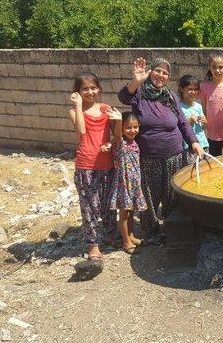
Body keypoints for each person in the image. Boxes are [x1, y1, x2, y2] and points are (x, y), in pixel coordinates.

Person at [118, 57, 204, 239]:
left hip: (174, 154)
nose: (161, 75)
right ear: (150, 72)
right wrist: (136, 80)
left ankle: (171, 228)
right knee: (150, 195)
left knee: (171, 194)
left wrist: (194, 142)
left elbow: (182, 122)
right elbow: (123, 97)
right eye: (158, 70)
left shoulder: (170, 95)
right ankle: (151, 230)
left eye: (165, 73)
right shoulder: (140, 93)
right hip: (150, 157)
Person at [68, 72, 117, 260]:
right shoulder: (74, 111)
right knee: (89, 206)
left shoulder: (106, 109)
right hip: (86, 165)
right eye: (84, 88)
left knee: (109, 204)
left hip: (107, 164)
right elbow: (81, 130)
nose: (90, 91)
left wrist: (111, 144)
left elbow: (117, 137)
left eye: (93, 88)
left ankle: (111, 236)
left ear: (99, 89)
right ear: (78, 92)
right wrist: (78, 105)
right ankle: (93, 245)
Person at [108, 109, 147, 254]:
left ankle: (131, 235)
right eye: (128, 127)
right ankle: (126, 242)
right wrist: (118, 121)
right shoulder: (121, 143)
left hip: (134, 183)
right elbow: (117, 135)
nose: (132, 130)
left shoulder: (134, 142)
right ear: (122, 129)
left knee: (130, 212)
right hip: (124, 184)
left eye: (135, 127)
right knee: (124, 214)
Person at [178, 74, 209, 157]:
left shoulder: (198, 106)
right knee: (192, 169)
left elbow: (204, 127)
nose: (193, 92)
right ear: (181, 89)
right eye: (190, 89)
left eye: (196, 89)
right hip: (189, 147)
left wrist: (205, 122)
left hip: (203, 145)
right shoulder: (178, 107)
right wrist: (189, 121)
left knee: (204, 169)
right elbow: (178, 128)